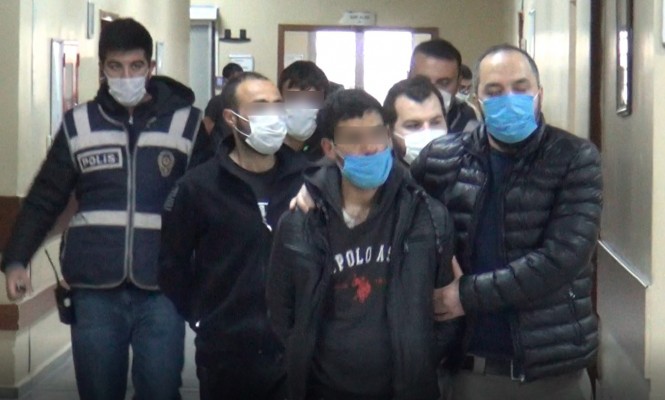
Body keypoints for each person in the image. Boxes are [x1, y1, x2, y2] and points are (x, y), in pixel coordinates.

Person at [1, 18, 207, 400]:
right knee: (97, 391)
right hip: (94, 287)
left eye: (136, 66)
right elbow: (45, 197)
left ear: (151, 67)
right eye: (116, 66)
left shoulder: (187, 124)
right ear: (102, 69)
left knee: (161, 389)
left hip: (163, 285)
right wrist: (16, 259)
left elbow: (210, 204)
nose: (126, 76)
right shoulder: (79, 125)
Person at [411, 44, 601, 400]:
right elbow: (387, 204)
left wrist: (465, 296)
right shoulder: (440, 159)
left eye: (520, 87)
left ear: (539, 94)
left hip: (551, 374)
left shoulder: (575, 158)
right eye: (494, 91)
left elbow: (562, 258)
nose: (509, 98)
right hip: (467, 371)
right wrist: (322, 187)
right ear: (477, 100)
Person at [267, 89, 461, 400]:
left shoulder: (427, 216)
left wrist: (420, 361)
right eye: (354, 138)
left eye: (376, 134)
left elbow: (445, 310)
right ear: (330, 148)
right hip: (323, 390)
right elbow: (282, 312)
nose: (370, 147)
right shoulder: (300, 223)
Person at [159, 72, 308, 400]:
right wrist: (202, 316)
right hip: (226, 354)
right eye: (260, 107)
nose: (273, 116)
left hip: (297, 353)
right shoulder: (199, 187)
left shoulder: (307, 178)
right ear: (232, 118)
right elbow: (172, 266)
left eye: (277, 106)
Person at [409, 39, 479, 133]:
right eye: (423, 81)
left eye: (444, 83)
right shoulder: (391, 115)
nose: (433, 92)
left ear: (458, 83)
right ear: (409, 78)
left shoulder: (468, 119)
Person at [383, 76, 448, 165]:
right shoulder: (379, 172)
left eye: (435, 122)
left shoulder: (464, 169)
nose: (428, 134)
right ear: (389, 133)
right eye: (413, 125)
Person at [278, 60, 329, 161]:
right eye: (294, 98)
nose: (302, 108)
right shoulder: (267, 151)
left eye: (311, 100)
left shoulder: (325, 152)